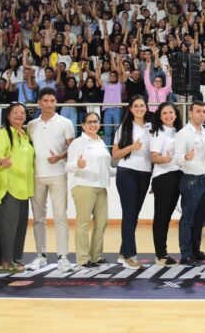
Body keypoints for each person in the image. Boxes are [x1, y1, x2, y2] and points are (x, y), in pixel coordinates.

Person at [27, 87, 76, 272]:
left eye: (52, 101)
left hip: (58, 175)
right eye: (45, 100)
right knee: (38, 219)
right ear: (39, 102)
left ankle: (63, 257)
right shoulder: (31, 124)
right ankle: (40, 256)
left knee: (60, 217)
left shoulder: (65, 122)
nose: (49, 104)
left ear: (56, 102)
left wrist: (59, 157)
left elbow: (73, 148)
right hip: (36, 176)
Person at [0, 102, 34, 273]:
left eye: (22, 113)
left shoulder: (24, 134)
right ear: (8, 116)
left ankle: (14, 258)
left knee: (19, 226)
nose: (19, 116)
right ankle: (4, 261)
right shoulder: (3, 134)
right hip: (8, 187)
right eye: (15, 113)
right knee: (7, 226)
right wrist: (1, 162)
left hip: (24, 188)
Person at [67, 112, 115, 268]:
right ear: (83, 125)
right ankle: (83, 258)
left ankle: (96, 256)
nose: (93, 124)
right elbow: (68, 166)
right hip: (84, 186)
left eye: (95, 121)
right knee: (83, 223)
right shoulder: (78, 143)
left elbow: (106, 168)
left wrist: (123, 170)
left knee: (101, 223)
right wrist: (77, 165)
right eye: (89, 122)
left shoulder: (101, 142)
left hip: (101, 187)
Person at [111, 95, 153, 269]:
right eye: (135, 106)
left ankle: (123, 252)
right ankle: (130, 255)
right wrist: (131, 147)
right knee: (129, 214)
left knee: (133, 215)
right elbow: (115, 154)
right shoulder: (124, 127)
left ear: (146, 107)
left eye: (141, 105)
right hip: (127, 172)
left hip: (145, 174)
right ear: (130, 108)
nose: (139, 108)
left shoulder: (152, 127)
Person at [173, 100, 205, 266]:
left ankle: (196, 250)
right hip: (190, 180)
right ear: (190, 113)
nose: (202, 114)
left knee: (199, 219)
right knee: (188, 219)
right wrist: (185, 158)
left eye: (204, 111)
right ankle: (186, 254)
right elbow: (177, 159)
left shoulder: (203, 131)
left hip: (204, 179)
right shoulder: (184, 133)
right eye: (198, 111)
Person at [149, 102, 183, 266]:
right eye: (165, 113)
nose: (168, 115)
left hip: (177, 175)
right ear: (160, 116)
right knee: (161, 217)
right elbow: (154, 157)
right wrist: (166, 159)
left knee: (167, 217)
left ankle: (163, 253)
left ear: (176, 114)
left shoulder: (178, 132)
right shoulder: (158, 132)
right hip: (164, 177)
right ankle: (161, 255)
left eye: (171, 112)